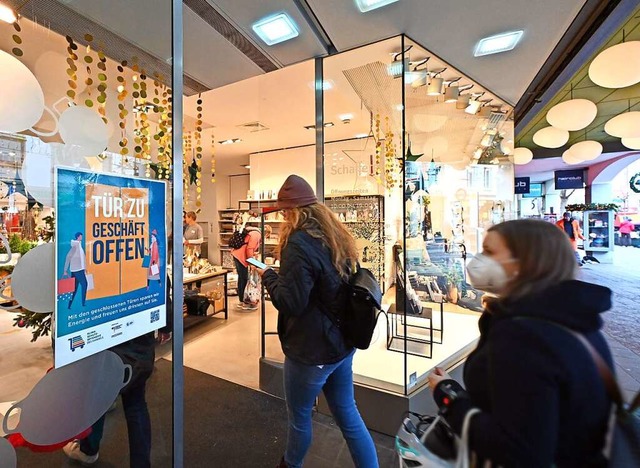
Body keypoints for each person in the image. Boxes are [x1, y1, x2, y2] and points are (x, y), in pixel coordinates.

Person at [427, 219, 613, 467]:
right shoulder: (574, 321)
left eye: (490, 252)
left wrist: (448, 396)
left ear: (525, 263)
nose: (479, 259)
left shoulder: (524, 337)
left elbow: (519, 450)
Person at [256, 175, 378, 468]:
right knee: (349, 414)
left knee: (299, 419)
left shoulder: (298, 242)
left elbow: (292, 302)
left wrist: (268, 276)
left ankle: (291, 464)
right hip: (341, 343)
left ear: (293, 211)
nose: (284, 217)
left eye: (285, 211)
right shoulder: (332, 233)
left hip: (311, 351)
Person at [64, 278, 173, 467]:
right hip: (137, 339)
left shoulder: (93, 250)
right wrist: (166, 324)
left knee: (97, 399)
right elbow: (161, 282)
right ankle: (140, 463)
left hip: (104, 338)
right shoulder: (147, 247)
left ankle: (88, 450)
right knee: (136, 403)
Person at [231, 214, 270, 310]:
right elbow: (249, 249)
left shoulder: (255, 233)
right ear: (267, 233)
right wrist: (252, 263)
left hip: (241, 255)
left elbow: (249, 247)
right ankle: (243, 301)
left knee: (246, 276)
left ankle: (245, 299)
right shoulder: (257, 235)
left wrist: (254, 258)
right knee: (243, 278)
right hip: (240, 256)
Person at [63, 232, 89, 309]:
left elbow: (82, 259)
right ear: (78, 237)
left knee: (74, 288)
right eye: (81, 236)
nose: (82, 237)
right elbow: (68, 257)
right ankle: (83, 303)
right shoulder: (75, 246)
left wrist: (85, 268)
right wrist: (65, 270)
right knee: (84, 284)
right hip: (77, 270)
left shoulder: (79, 245)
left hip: (78, 269)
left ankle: (69, 305)